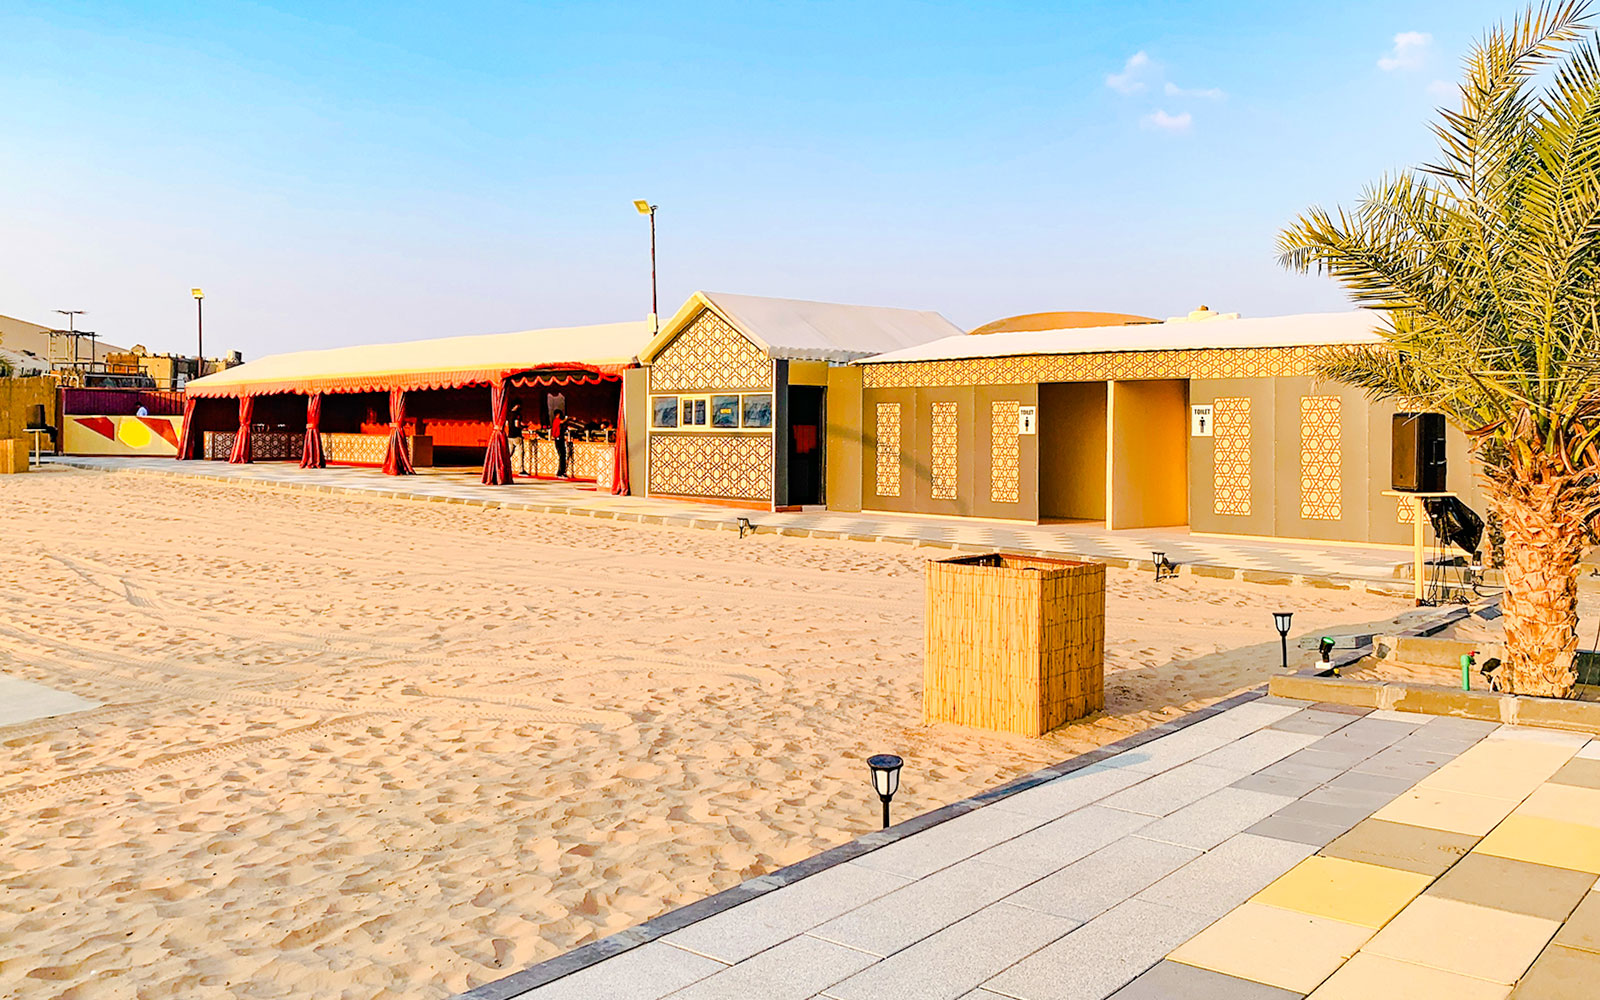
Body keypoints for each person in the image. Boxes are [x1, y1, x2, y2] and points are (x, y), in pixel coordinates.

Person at [507, 401, 526, 475]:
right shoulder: (517, 414)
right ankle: (521, 469)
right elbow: (517, 424)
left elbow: (507, 424)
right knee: (520, 453)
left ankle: (503, 466)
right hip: (517, 435)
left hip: (510, 435)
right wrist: (523, 427)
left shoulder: (508, 414)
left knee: (509, 453)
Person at [552, 407, 569, 479]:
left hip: (558, 439)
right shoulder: (556, 420)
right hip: (559, 439)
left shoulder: (555, 421)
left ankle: (560, 471)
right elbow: (562, 422)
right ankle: (561, 472)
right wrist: (567, 418)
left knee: (562, 456)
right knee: (562, 456)